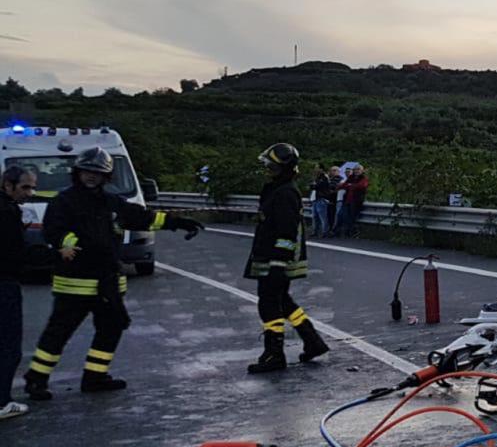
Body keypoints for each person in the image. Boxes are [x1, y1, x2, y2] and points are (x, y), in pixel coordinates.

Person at [23, 148, 203, 399]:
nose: (91, 176)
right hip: (75, 281)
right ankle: (36, 380)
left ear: (106, 176)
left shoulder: (111, 202)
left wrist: (178, 222)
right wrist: (67, 242)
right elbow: (54, 230)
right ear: (78, 173)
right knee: (59, 332)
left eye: (97, 173)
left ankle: (95, 376)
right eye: (87, 171)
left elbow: (143, 217)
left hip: (107, 281)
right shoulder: (64, 201)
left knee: (112, 327)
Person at [244, 142, 329, 374]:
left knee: (269, 303)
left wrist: (278, 264)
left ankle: (274, 354)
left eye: (271, 166)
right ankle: (313, 341)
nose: (267, 170)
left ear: (282, 168)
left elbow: (287, 232)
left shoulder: (285, 193)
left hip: (275, 259)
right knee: (283, 301)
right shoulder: (279, 189)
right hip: (271, 256)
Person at [2, 167, 65, 419]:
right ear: (8, 185)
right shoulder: (7, 212)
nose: (30, 193)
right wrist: (56, 255)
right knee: (8, 346)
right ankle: (2, 402)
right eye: (25, 187)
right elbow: (17, 253)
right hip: (4, 283)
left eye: (33, 187)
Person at [335, 164, 368, 238]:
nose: (357, 171)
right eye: (355, 169)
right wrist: (349, 185)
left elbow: (362, 185)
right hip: (347, 200)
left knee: (352, 217)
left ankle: (351, 233)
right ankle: (343, 232)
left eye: (358, 169)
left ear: (362, 171)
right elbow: (343, 185)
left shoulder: (364, 178)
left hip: (356, 201)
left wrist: (350, 185)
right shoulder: (351, 177)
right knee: (342, 215)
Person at [311, 165, 336, 237]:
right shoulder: (317, 177)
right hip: (315, 198)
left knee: (322, 216)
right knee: (315, 216)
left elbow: (319, 186)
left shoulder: (324, 177)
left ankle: (325, 231)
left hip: (322, 198)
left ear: (321, 169)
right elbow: (312, 186)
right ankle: (315, 231)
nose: (316, 170)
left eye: (317, 168)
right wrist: (314, 185)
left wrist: (315, 185)